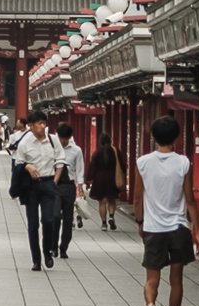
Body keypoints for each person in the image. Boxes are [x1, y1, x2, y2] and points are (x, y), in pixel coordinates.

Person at [136, 111, 196, 306]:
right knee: (177, 279)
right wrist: (198, 228)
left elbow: (138, 199)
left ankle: (150, 304)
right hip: (179, 227)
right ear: (176, 137)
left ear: (153, 136)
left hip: (153, 227)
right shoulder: (183, 163)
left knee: (152, 279)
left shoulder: (142, 163)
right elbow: (189, 199)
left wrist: (141, 223)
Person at [12, 113, 65, 270]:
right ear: (31, 126)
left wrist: (55, 180)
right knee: (33, 223)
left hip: (49, 182)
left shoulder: (53, 140)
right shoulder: (25, 143)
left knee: (50, 219)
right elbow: (18, 164)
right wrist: (27, 166)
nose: (43, 126)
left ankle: (47, 250)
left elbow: (60, 160)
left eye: (44, 123)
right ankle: (36, 258)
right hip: (31, 186)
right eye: (39, 123)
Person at [55, 126, 86, 255]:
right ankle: (52, 245)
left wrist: (80, 187)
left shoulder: (76, 150)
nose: (62, 141)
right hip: (55, 185)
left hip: (69, 186)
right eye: (61, 138)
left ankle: (64, 247)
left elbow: (79, 169)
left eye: (65, 139)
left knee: (68, 218)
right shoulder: (53, 148)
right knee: (55, 216)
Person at [88, 132, 122, 230]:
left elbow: (92, 167)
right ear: (110, 140)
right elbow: (122, 165)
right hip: (112, 178)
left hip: (99, 179)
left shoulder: (97, 153)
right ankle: (111, 216)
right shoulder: (116, 151)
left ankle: (104, 224)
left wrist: (89, 178)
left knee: (102, 202)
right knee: (111, 199)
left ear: (100, 142)